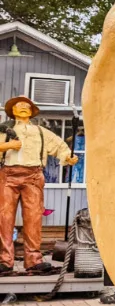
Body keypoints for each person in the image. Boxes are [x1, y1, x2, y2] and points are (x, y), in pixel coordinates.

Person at [0, 97, 78, 273]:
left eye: (27, 106)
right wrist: (8, 145)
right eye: (19, 106)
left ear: (32, 111)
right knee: (4, 218)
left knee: (33, 218)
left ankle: (33, 260)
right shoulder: (5, 130)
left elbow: (59, 146)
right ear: (12, 110)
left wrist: (68, 156)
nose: (23, 108)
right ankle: (5, 260)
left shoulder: (41, 132)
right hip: (8, 175)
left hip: (33, 176)